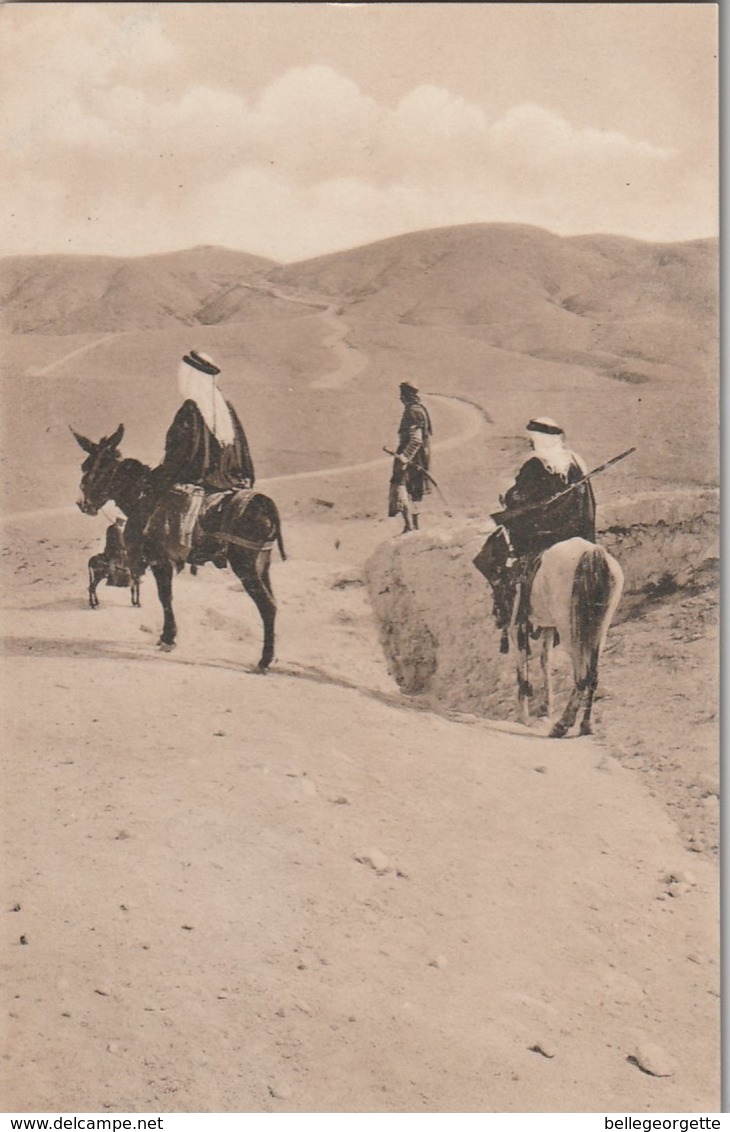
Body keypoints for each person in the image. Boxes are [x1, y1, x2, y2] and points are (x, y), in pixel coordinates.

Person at [475, 417, 596, 649]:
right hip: (577, 530)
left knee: (494, 552)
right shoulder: (575, 462)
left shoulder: (536, 464)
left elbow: (520, 497)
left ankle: (512, 611)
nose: (531, 443)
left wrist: (509, 498)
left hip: (544, 533)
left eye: (533, 438)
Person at [146, 349, 256, 565]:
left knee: (153, 501)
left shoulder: (191, 408)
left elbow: (178, 453)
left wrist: (160, 474)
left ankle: (170, 552)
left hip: (202, 478)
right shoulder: (226, 406)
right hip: (232, 477)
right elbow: (242, 447)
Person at [388, 381, 433, 533]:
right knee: (415, 491)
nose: (400, 398)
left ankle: (409, 526)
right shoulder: (420, 409)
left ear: (406, 396)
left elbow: (416, 439)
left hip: (411, 458)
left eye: (402, 395)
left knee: (401, 488)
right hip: (419, 457)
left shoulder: (412, 412)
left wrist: (405, 458)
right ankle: (414, 525)